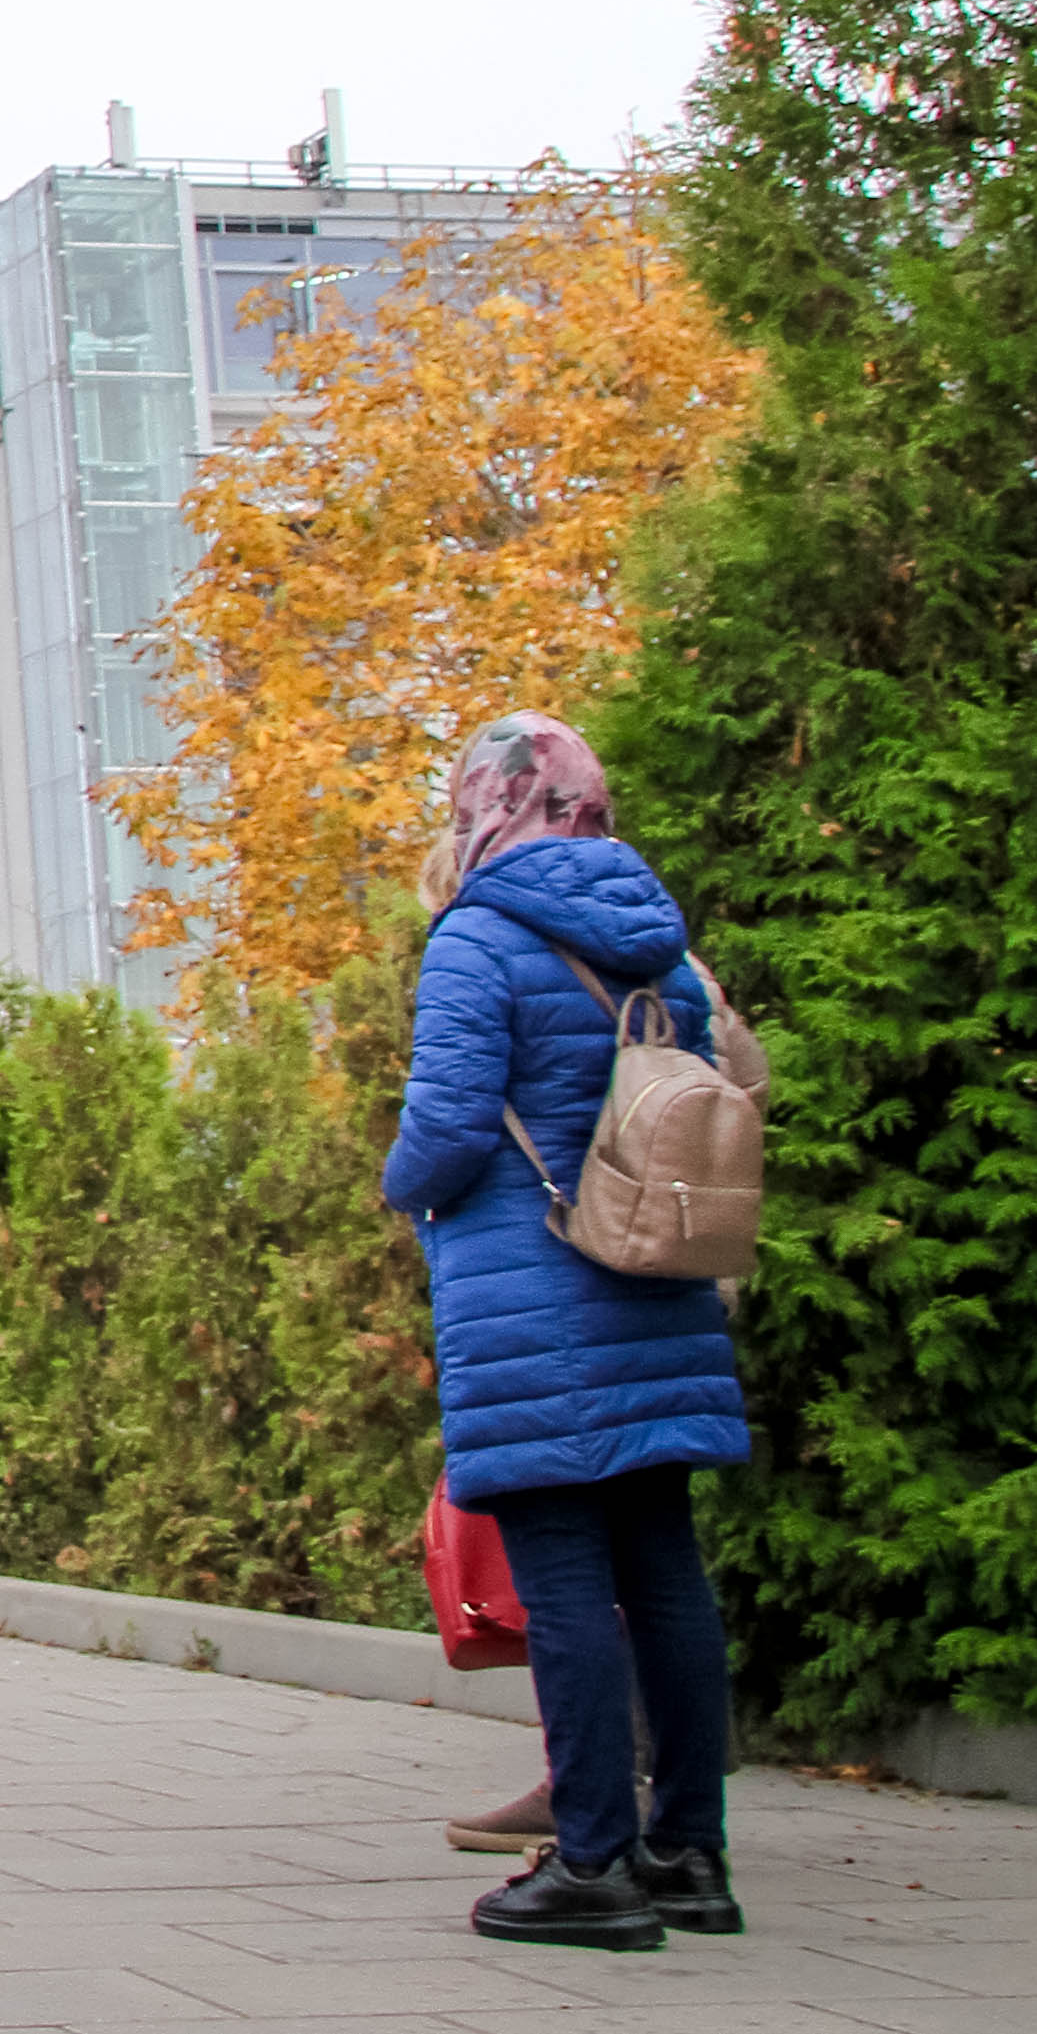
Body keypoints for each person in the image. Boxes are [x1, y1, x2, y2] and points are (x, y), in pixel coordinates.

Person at [381, 713, 754, 1952]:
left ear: (484, 804)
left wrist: (399, 1187)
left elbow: (442, 1133)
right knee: (663, 1572)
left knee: (565, 1584)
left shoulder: (477, 934)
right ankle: (688, 1856)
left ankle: (590, 1863)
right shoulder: (659, 936)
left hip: (532, 1298)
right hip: (655, 1277)